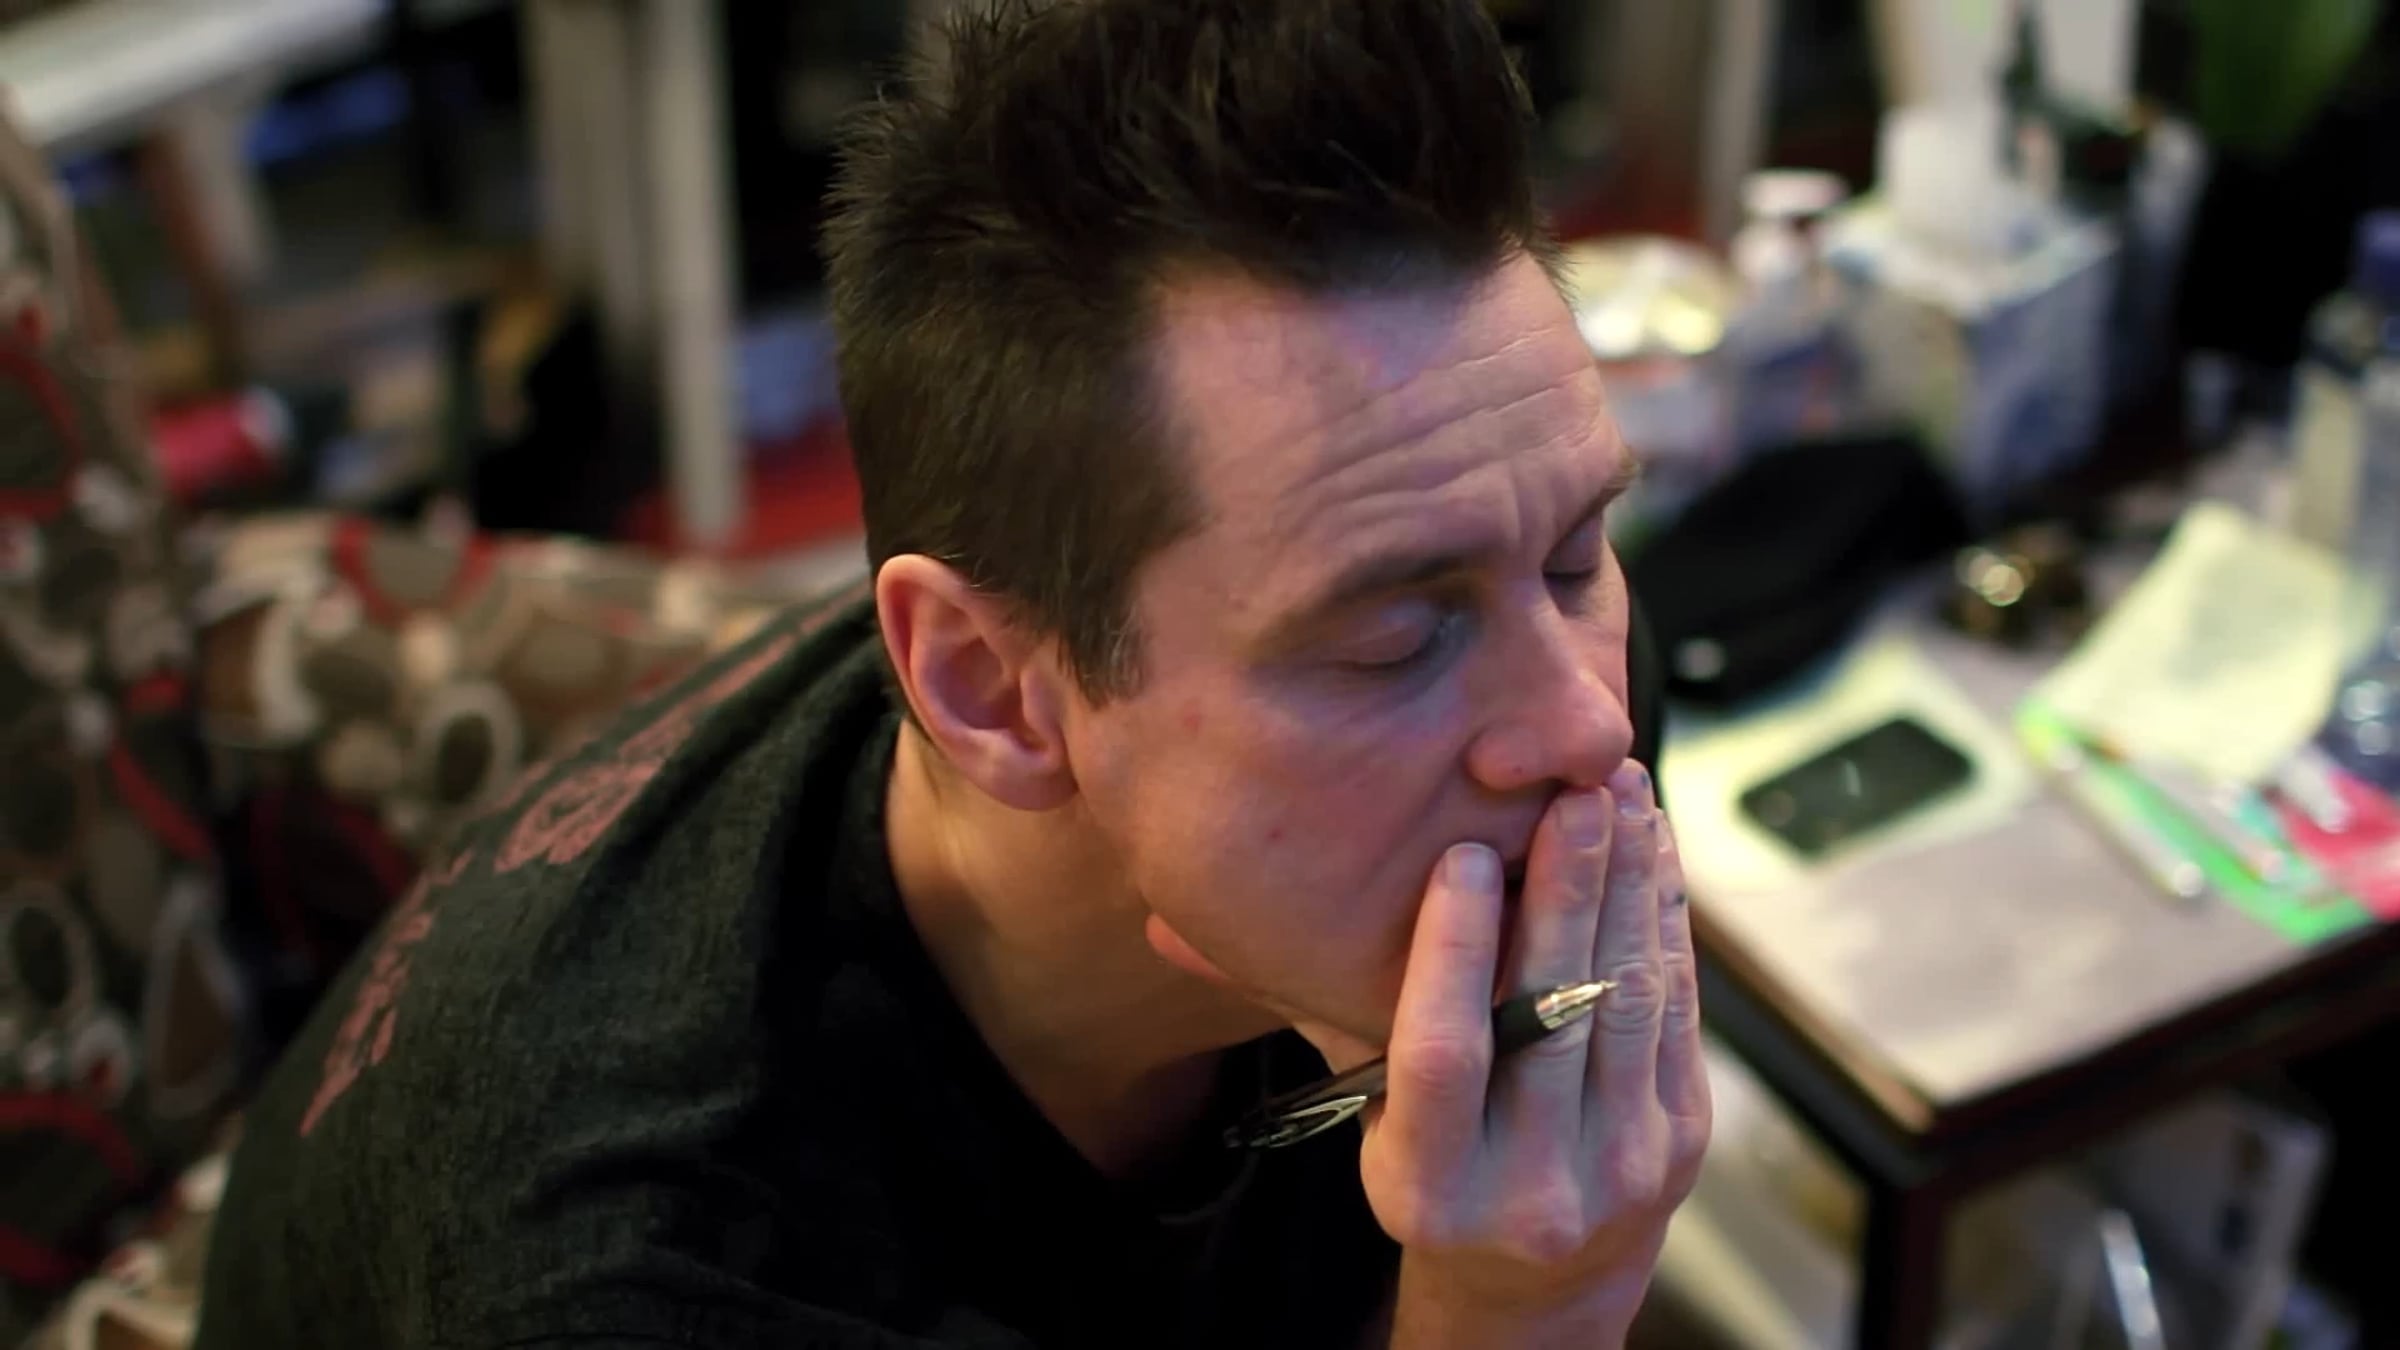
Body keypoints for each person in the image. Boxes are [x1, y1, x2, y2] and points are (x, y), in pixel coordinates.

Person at [195, 0, 1708, 1345]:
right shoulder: (636, 1268)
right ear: (989, 691)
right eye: (1393, 638)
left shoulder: (1538, 702)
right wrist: (1526, 1311)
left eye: (1578, 551)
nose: (1585, 722)